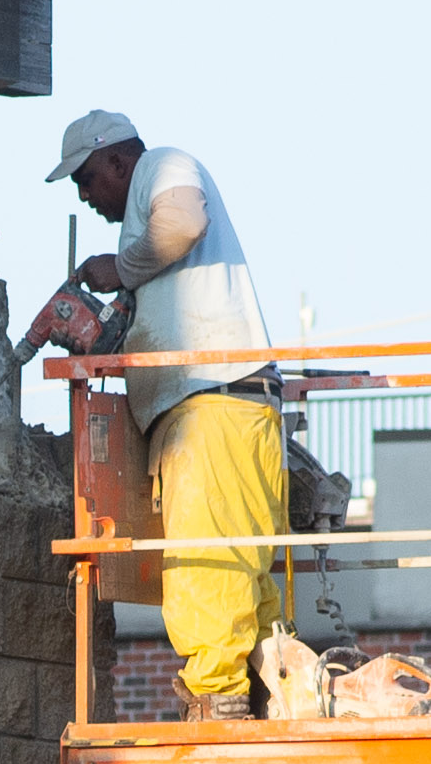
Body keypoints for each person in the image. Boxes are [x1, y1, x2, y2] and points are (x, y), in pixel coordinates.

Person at [49, 106, 291, 715]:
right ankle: (270, 690)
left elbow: (182, 221)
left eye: (86, 180)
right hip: (229, 408)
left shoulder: (164, 165)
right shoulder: (148, 235)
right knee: (242, 564)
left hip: (211, 407)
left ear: (117, 159)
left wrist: (119, 268)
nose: (85, 197)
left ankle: (220, 697)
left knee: (205, 558)